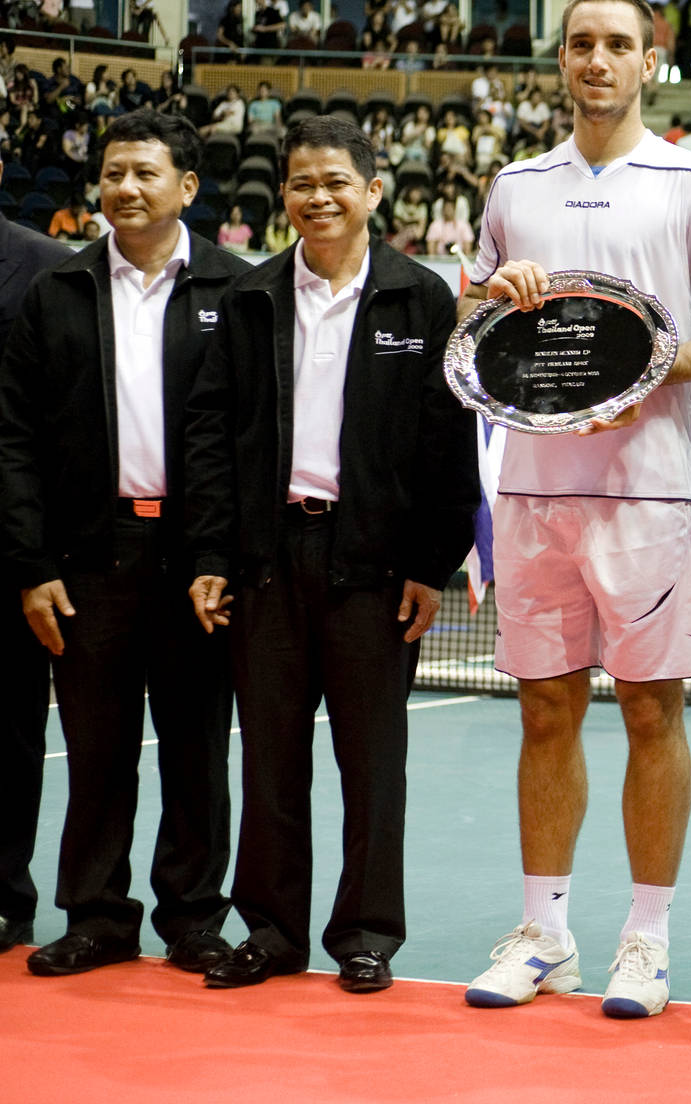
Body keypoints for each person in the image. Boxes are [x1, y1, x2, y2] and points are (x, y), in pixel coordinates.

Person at [456, 0, 691, 1019]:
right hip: (534, 485)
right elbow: (471, 314)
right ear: (561, 57)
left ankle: (646, 939)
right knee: (545, 708)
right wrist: (495, 293)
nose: (597, 60)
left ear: (647, 61)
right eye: (581, 42)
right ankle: (545, 931)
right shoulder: (514, 184)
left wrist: (644, 370)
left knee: (649, 707)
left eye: (618, 44)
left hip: (647, 489)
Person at [183, 115, 479, 994]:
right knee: (270, 757)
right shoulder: (250, 297)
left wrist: (434, 563)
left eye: (337, 184)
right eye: (304, 184)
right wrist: (209, 550)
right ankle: (271, 932)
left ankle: (366, 935)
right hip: (267, 558)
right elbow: (210, 430)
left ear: (373, 192)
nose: (320, 198)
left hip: (375, 567)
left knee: (370, 760)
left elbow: (447, 442)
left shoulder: (420, 298)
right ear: (286, 196)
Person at [0, 110, 245, 980]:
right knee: (98, 750)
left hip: (196, 563)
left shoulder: (237, 289)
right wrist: (31, 566)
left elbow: (252, 438)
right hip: (86, 561)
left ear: (187, 186)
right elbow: (17, 438)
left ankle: (192, 920)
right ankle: (98, 915)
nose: (126, 188)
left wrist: (223, 556)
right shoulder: (56, 291)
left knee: (194, 749)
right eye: (113, 173)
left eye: (146, 172)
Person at [0, 218, 71, 954]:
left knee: (10, 730)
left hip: (11, 543)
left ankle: (3, 896)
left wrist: (36, 556)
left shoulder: (48, 269)